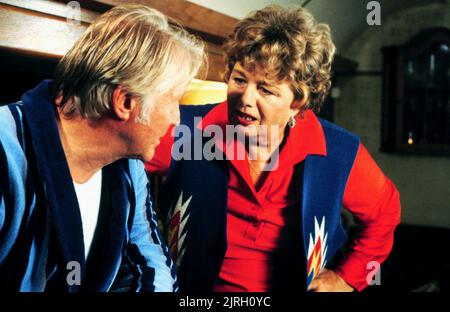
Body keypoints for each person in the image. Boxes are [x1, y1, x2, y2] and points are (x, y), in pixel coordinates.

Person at [146, 5, 401, 292]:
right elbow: (115, 161)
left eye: (266, 89)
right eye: (239, 79)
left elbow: (386, 211)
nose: (246, 99)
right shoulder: (186, 129)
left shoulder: (337, 152)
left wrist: (347, 277)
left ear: (298, 101)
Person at [0, 4, 205, 291]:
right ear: (125, 103)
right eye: (173, 100)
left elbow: (147, 255)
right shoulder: (6, 151)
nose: (176, 117)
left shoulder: (128, 166)